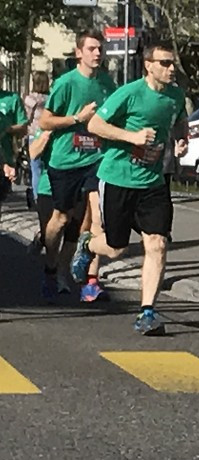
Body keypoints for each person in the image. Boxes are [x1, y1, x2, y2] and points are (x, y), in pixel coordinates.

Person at [70, 43, 188, 335]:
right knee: (115, 247)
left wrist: (180, 139)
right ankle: (87, 245)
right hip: (118, 178)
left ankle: (147, 311)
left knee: (157, 244)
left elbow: (179, 121)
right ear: (149, 65)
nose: (171, 68)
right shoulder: (130, 92)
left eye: (173, 63)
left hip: (153, 182)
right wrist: (132, 137)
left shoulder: (175, 95)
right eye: (164, 63)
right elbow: (95, 125)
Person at [39, 31, 116, 303]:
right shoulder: (66, 83)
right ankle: (51, 268)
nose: (98, 53)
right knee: (61, 219)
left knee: (93, 219)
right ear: (79, 53)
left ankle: (86, 280)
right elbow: (45, 122)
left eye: (100, 49)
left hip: (96, 159)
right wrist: (77, 118)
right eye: (92, 48)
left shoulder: (108, 84)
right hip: (65, 160)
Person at [24, 71, 50, 201]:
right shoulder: (50, 98)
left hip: (35, 134)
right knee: (47, 167)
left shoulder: (31, 99)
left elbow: (26, 118)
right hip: (48, 134)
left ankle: (37, 197)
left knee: (36, 168)